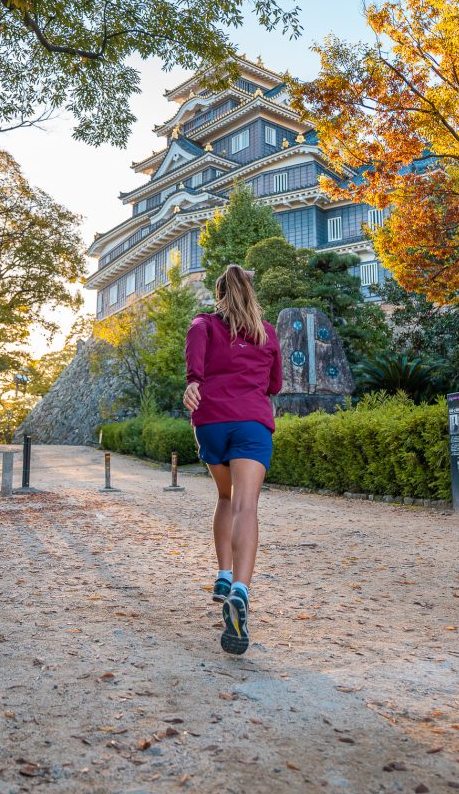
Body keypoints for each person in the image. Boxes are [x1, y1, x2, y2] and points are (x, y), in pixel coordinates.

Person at [184, 264, 282, 655]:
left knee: (224, 498)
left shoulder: (202, 324)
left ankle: (222, 576)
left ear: (219, 291)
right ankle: (240, 591)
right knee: (246, 505)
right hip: (252, 423)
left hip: (211, 421)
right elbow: (274, 385)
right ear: (250, 291)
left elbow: (194, 373)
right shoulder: (267, 332)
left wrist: (194, 384)